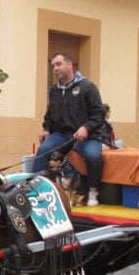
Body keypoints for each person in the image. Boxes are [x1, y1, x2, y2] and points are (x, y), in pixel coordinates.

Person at [34, 53, 105, 206]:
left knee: (93, 156)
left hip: (88, 136)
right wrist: (46, 129)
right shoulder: (54, 91)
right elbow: (50, 115)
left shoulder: (88, 87)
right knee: (43, 151)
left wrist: (86, 127)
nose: (55, 68)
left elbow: (99, 114)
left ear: (70, 65)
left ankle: (93, 191)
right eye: (53, 66)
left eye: (58, 64)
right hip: (62, 135)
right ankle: (36, 190)